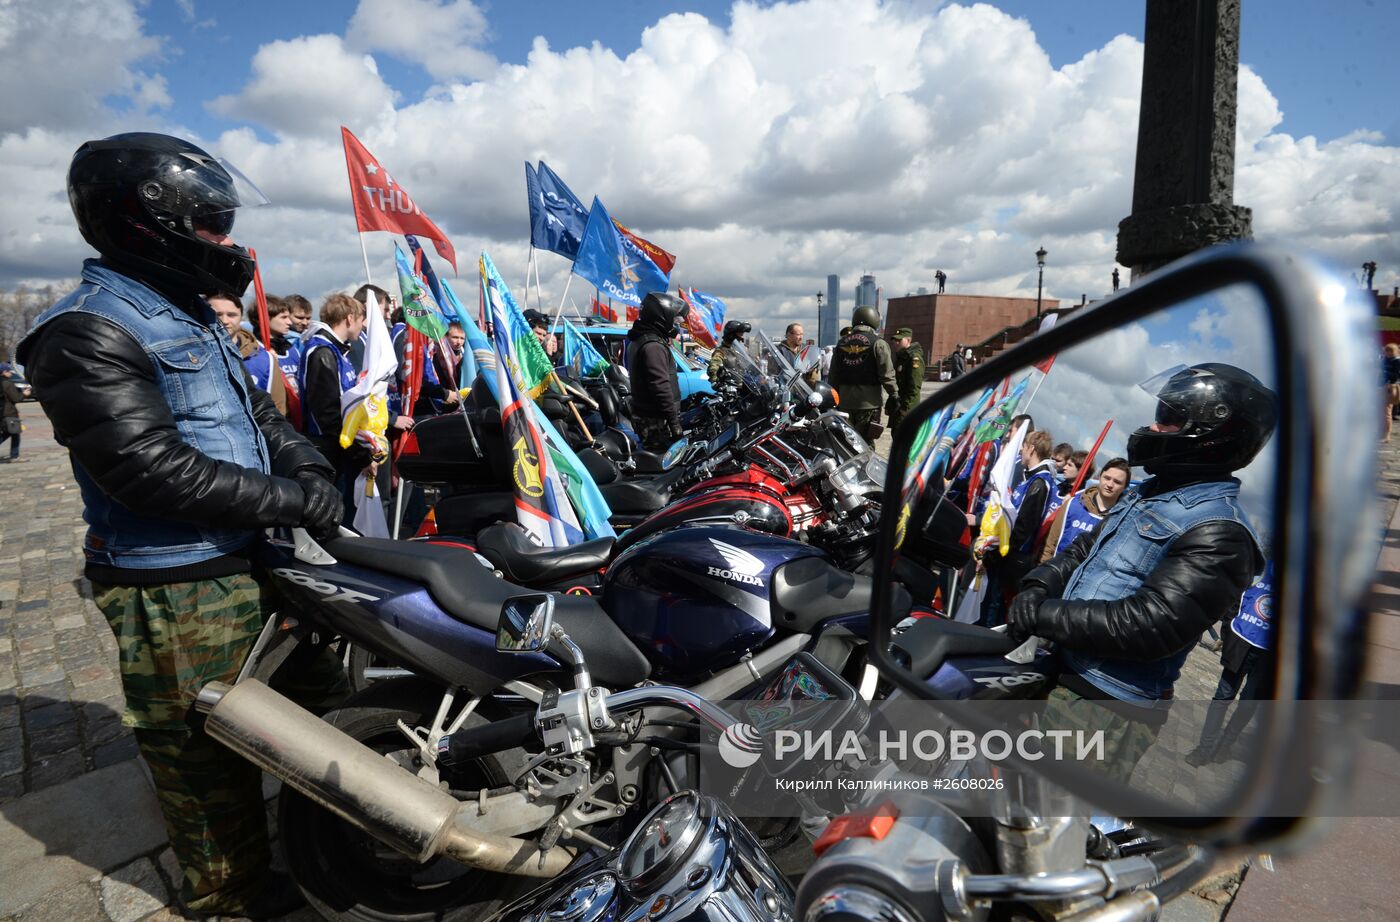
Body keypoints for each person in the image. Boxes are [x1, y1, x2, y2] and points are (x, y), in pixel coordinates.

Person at [15, 132, 345, 917]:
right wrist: (294, 501)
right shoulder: (87, 328)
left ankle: (329, 845)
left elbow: (259, 413)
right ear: (143, 221)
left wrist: (304, 465)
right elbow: (148, 469)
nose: (222, 243)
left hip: (258, 556)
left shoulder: (187, 313)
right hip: (176, 582)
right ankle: (231, 895)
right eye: (208, 225)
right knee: (203, 756)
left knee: (318, 708)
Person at [1009, 363, 1275, 781]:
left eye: (1169, 418)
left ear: (1213, 433)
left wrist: (1043, 616)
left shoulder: (1221, 532)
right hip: (1061, 669)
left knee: (1045, 825)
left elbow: (1152, 624)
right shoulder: (1149, 493)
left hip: (1102, 706)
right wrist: (1039, 583)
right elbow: (1084, 548)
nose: (1154, 425)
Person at [1185, 558, 1274, 766]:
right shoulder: (1265, 564)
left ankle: (1224, 746)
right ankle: (1204, 749)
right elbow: (1237, 590)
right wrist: (1229, 631)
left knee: (1248, 704)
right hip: (1242, 641)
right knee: (1222, 697)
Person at [299, 292, 371, 515]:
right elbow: (328, 412)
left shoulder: (337, 350)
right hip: (329, 449)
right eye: (361, 320)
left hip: (340, 448)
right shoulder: (323, 352)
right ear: (350, 319)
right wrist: (359, 454)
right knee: (334, 517)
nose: (363, 326)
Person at [979, 429, 1056, 626]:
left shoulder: (1040, 482)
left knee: (994, 610)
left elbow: (1024, 526)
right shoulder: (1031, 479)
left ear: (1031, 448)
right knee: (988, 604)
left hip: (1011, 558)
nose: (1021, 451)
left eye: (1023, 447)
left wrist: (1000, 552)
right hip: (1005, 554)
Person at [627, 293, 687, 451]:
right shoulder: (653, 345)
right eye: (674, 320)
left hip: (650, 417)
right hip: (655, 421)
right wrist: (674, 423)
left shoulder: (643, 339)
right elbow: (660, 386)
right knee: (666, 466)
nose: (676, 325)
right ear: (661, 317)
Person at [1040, 457, 1130, 563]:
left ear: (1125, 487)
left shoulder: (1123, 519)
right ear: (1100, 477)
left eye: (1117, 482)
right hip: (1056, 570)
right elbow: (1050, 543)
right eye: (1107, 478)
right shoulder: (1073, 504)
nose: (1110, 485)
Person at [828, 306, 896, 435]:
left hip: (845, 402)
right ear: (874, 321)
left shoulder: (841, 343)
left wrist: (834, 399)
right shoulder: (878, 343)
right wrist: (895, 395)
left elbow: (833, 376)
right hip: (868, 404)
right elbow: (887, 375)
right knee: (866, 441)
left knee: (845, 440)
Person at [889, 327, 924, 430]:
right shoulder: (901, 358)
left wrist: (906, 408)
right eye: (895, 340)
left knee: (904, 439)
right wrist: (889, 405)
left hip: (906, 408)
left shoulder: (914, 358)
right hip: (898, 406)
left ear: (908, 340)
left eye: (899, 340)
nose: (896, 343)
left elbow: (914, 386)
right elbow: (895, 384)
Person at [707, 319, 751, 386]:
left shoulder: (737, 352)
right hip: (732, 392)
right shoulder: (720, 352)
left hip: (744, 390)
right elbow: (713, 370)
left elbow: (745, 369)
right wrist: (716, 382)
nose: (741, 337)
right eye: (740, 334)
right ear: (731, 335)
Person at [777, 322, 820, 387]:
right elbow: (774, 374)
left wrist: (813, 385)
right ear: (789, 335)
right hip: (787, 388)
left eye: (802, 334)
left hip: (804, 389)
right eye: (798, 334)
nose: (801, 337)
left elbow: (811, 370)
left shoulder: (805, 350)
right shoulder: (780, 351)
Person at [0, 363, 24, 462]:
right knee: (15, 434)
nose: (11, 373)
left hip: (2, 413)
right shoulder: (7, 383)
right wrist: (24, 394)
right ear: (4, 372)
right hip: (9, 412)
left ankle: (14, 455)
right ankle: (14, 456)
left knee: (7, 433)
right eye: (9, 371)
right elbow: (16, 398)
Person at [1382, 343, 1400, 441]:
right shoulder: (1385, 360)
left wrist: (1383, 372)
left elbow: (1396, 376)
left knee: (1387, 412)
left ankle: (1386, 435)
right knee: (1382, 412)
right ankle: (1382, 433)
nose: (1386, 353)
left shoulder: (1397, 361)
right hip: (1381, 387)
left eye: (1388, 352)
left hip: (1390, 387)